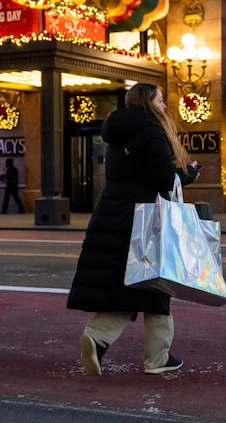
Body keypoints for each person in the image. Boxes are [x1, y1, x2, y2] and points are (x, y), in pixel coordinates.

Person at [67, 83, 201, 376]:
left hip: (114, 212)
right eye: (161, 100)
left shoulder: (117, 133)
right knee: (156, 282)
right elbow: (164, 180)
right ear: (148, 102)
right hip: (146, 217)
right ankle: (156, 358)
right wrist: (188, 173)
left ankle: (99, 338)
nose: (165, 105)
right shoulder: (152, 133)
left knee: (135, 285)